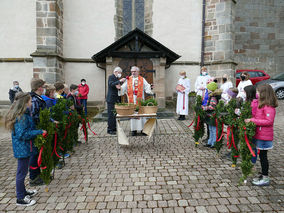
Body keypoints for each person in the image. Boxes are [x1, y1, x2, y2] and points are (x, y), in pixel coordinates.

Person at [5, 92, 46, 206]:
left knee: (23, 171)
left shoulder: (24, 114)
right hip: (22, 148)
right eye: (29, 101)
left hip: (25, 147)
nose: (31, 103)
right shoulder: (22, 116)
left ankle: (23, 192)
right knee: (21, 173)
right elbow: (22, 134)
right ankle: (20, 198)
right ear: (25, 103)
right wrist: (39, 132)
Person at [245, 84, 278, 186]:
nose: (257, 94)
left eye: (258, 92)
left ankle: (265, 178)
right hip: (259, 134)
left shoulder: (269, 106)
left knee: (263, 157)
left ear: (264, 93)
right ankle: (263, 174)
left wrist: (253, 120)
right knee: (261, 156)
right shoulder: (261, 104)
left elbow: (268, 121)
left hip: (264, 137)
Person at [119, 66, 154, 136]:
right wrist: (120, 88)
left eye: (134, 71)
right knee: (133, 114)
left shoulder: (142, 79)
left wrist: (150, 87)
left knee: (141, 115)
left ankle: (143, 130)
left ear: (138, 72)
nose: (133, 73)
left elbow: (147, 87)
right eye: (132, 71)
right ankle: (133, 130)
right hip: (132, 100)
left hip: (140, 100)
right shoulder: (128, 79)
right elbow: (123, 87)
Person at [29, 78, 46, 186]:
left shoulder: (38, 98)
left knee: (37, 153)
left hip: (39, 130)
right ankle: (33, 178)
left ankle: (37, 174)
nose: (44, 88)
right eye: (43, 86)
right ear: (39, 87)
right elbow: (34, 115)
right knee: (34, 154)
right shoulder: (34, 100)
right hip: (36, 130)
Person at [106, 67, 126, 135]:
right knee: (111, 115)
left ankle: (114, 128)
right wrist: (120, 81)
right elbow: (111, 84)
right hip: (111, 99)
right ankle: (110, 129)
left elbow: (116, 86)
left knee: (114, 114)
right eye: (120, 73)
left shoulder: (116, 78)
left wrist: (120, 88)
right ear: (116, 72)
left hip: (115, 99)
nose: (120, 74)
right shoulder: (111, 77)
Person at [202, 82, 219, 148]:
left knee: (214, 130)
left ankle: (214, 143)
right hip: (210, 116)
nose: (207, 90)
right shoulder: (211, 96)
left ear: (212, 90)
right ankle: (210, 142)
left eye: (208, 89)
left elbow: (212, 107)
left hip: (213, 116)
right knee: (210, 129)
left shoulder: (213, 98)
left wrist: (204, 108)